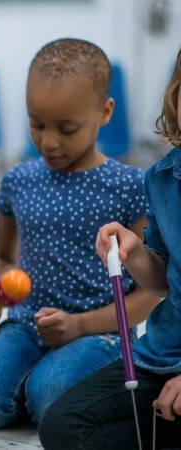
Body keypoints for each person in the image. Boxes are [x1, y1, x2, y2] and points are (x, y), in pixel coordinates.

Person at [0, 38, 159, 429]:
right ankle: (25, 388)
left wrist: (78, 326)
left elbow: (150, 290)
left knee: (51, 394)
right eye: (36, 124)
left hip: (99, 331)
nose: (49, 141)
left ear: (105, 113)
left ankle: (37, 389)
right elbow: (4, 258)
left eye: (67, 128)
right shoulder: (17, 181)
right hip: (25, 325)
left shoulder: (129, 186)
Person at [39, 46, 181, 450]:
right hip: (161, 356)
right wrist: (135, 253)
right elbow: (163, 282)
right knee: (60, 427)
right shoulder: (163, 178)